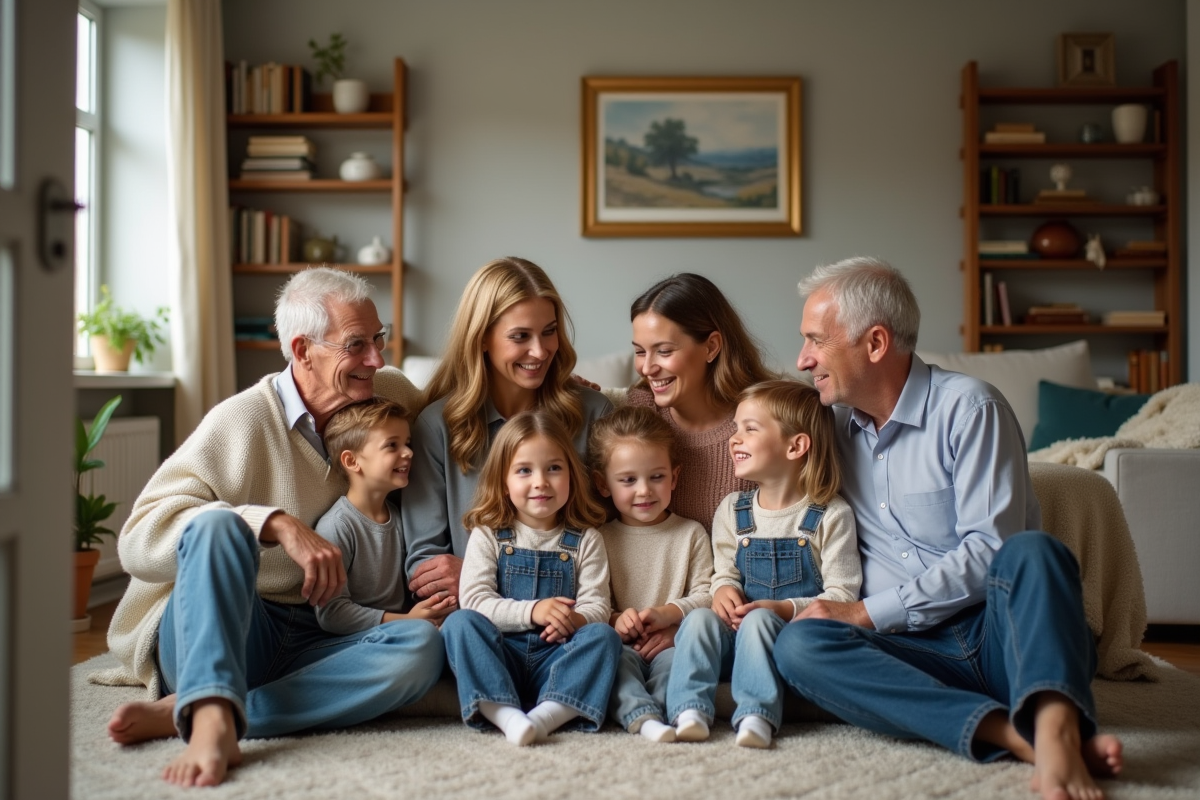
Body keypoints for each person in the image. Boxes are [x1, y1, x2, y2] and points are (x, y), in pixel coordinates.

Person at [775, 257, 1123, 800]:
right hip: (909, 651)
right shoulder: (827, 427)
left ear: (875, 343)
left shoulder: (970, 409)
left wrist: (865, 611)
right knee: (799, 645)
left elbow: (991, 550)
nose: (802, 360)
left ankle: (1055, 725)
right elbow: (749, 413)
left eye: (815, 341)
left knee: (1033, 551)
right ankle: (1018, 736)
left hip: (998, 636)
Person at [98, 267, 444, 788]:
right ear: (303, 351)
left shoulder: (386, 391)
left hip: (323, 633)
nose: (376, 359)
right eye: (357, 345)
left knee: (421, 645)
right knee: (219, 527)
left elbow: (460, 416)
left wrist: (556, 394)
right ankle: (210, 708)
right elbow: (139, 540)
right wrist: (272, 522)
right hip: (231, 627)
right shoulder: (239, 422)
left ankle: (193, 712)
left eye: (379, 338)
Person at [402, 257, 613, 602]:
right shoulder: (436, 426)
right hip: (476, 621)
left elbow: (618, 536)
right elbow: (426, 568)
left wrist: (481, 571)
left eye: (549, 331)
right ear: (482, 338)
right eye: (520, 336)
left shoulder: (593, 413)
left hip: (573, 618)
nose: (540, 350)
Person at [667, 379, 860, 748]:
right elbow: (724, 570)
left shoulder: (830, 514)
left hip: (790, 640)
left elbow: (843, 595)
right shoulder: (732, 510)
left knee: (758, 618)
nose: (734, 439)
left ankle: (756, 715)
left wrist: (782, 609)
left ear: (795, 445)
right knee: (698, 619)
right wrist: (724, 589)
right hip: (734, 638)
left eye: (749, 429)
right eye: (735, 428)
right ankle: (688, 709)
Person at [440, 410, 623, 745]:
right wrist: (533, 611)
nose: (541, 481)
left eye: (554, 468)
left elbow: (598, 605)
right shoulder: (489, 535)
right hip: (500, 655)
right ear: (503, 481)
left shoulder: (586, 539)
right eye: (524, 470)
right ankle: (505, 715)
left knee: (604, 637)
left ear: (571, 474)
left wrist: (575, 619)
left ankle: (545, 717)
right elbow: (476, 601)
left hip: (557, 656)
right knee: (460, 623)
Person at [588, 405, 713, 743]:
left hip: (671, 641)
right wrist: (617, 619)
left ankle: (677, 712)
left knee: (677, 667)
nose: (644, 490)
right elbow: (590, 601)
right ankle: (643, 719)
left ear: (674, 477)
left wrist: (669, 617)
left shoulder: (691, 534)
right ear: (603, 484)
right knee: (611, 666)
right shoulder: (598, 538)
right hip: (621, 643)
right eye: (628, 480)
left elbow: (708, 595)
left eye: (656, 477)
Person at [628, 273, 777, 535]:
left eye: (664, 351)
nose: (647, 368)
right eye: (640, 351)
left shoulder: (766, 420)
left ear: (711, 347)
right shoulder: (639, 413)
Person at [313, 398, 457, 635]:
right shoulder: (336, 526)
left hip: (403, 631)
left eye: (408, 443)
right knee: (422, 641)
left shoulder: (400, 516)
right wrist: (406, 620)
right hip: (361, 639)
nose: (409, 452)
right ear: (351, 461)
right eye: (392, 445)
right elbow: (331, 613)